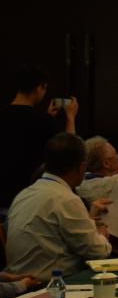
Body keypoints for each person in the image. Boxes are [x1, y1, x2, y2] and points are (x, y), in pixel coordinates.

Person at [4, 133, 112, 280]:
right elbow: (97, 252)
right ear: (82, 167)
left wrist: (90, 220)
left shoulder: (24, 194)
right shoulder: (66, 199)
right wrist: (102, 235)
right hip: (51, 285)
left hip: (18, 283)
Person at [0, 65, 78, 216]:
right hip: (27, 199)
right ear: (39, 88)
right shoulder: (43, 121)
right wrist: (70, 117)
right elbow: (69, 151)